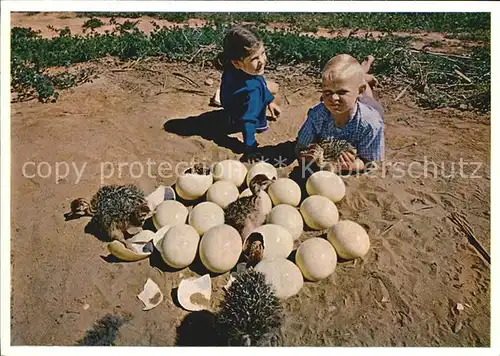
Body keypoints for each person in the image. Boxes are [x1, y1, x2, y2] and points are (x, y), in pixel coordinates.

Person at [295, 54, 384, 172]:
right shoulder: (318, 115)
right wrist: (305, 155)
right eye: (327, 92)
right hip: (352, 97)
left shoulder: (371, 124)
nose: (334, 98)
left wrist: (354, 165)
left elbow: (371, 162)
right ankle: (360, 76)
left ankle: (365, 74)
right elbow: (300, 148)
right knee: (351, 82)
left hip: (368, 105)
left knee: (367, 96)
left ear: (359, 90)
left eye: (342, 92)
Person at [214, 26, 281, 155]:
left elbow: (260, 82)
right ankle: (252, 126)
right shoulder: (253, 91)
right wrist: (250, 145)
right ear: (237, 63)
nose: (262, 61)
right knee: (273, 87)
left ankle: (229, 114)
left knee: (267, 86)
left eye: (262, 53)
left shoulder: (233, 68)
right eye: (255, 59)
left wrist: (270, 102)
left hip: (231, 107)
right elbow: (248, 120)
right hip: (240, 117)